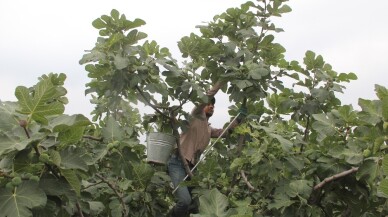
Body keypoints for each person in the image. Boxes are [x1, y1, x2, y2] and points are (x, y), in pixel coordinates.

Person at [167, 82, 245, 217]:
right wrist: (221, 82)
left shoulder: (208, 129)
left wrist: (238, 120)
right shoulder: (195, 115)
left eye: (213, 105)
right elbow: (205, 97)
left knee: (196, 204)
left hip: (192, 168)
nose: (211, 106)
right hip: (178, 163)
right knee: (184, 201)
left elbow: (224, 132)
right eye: (209, 104)